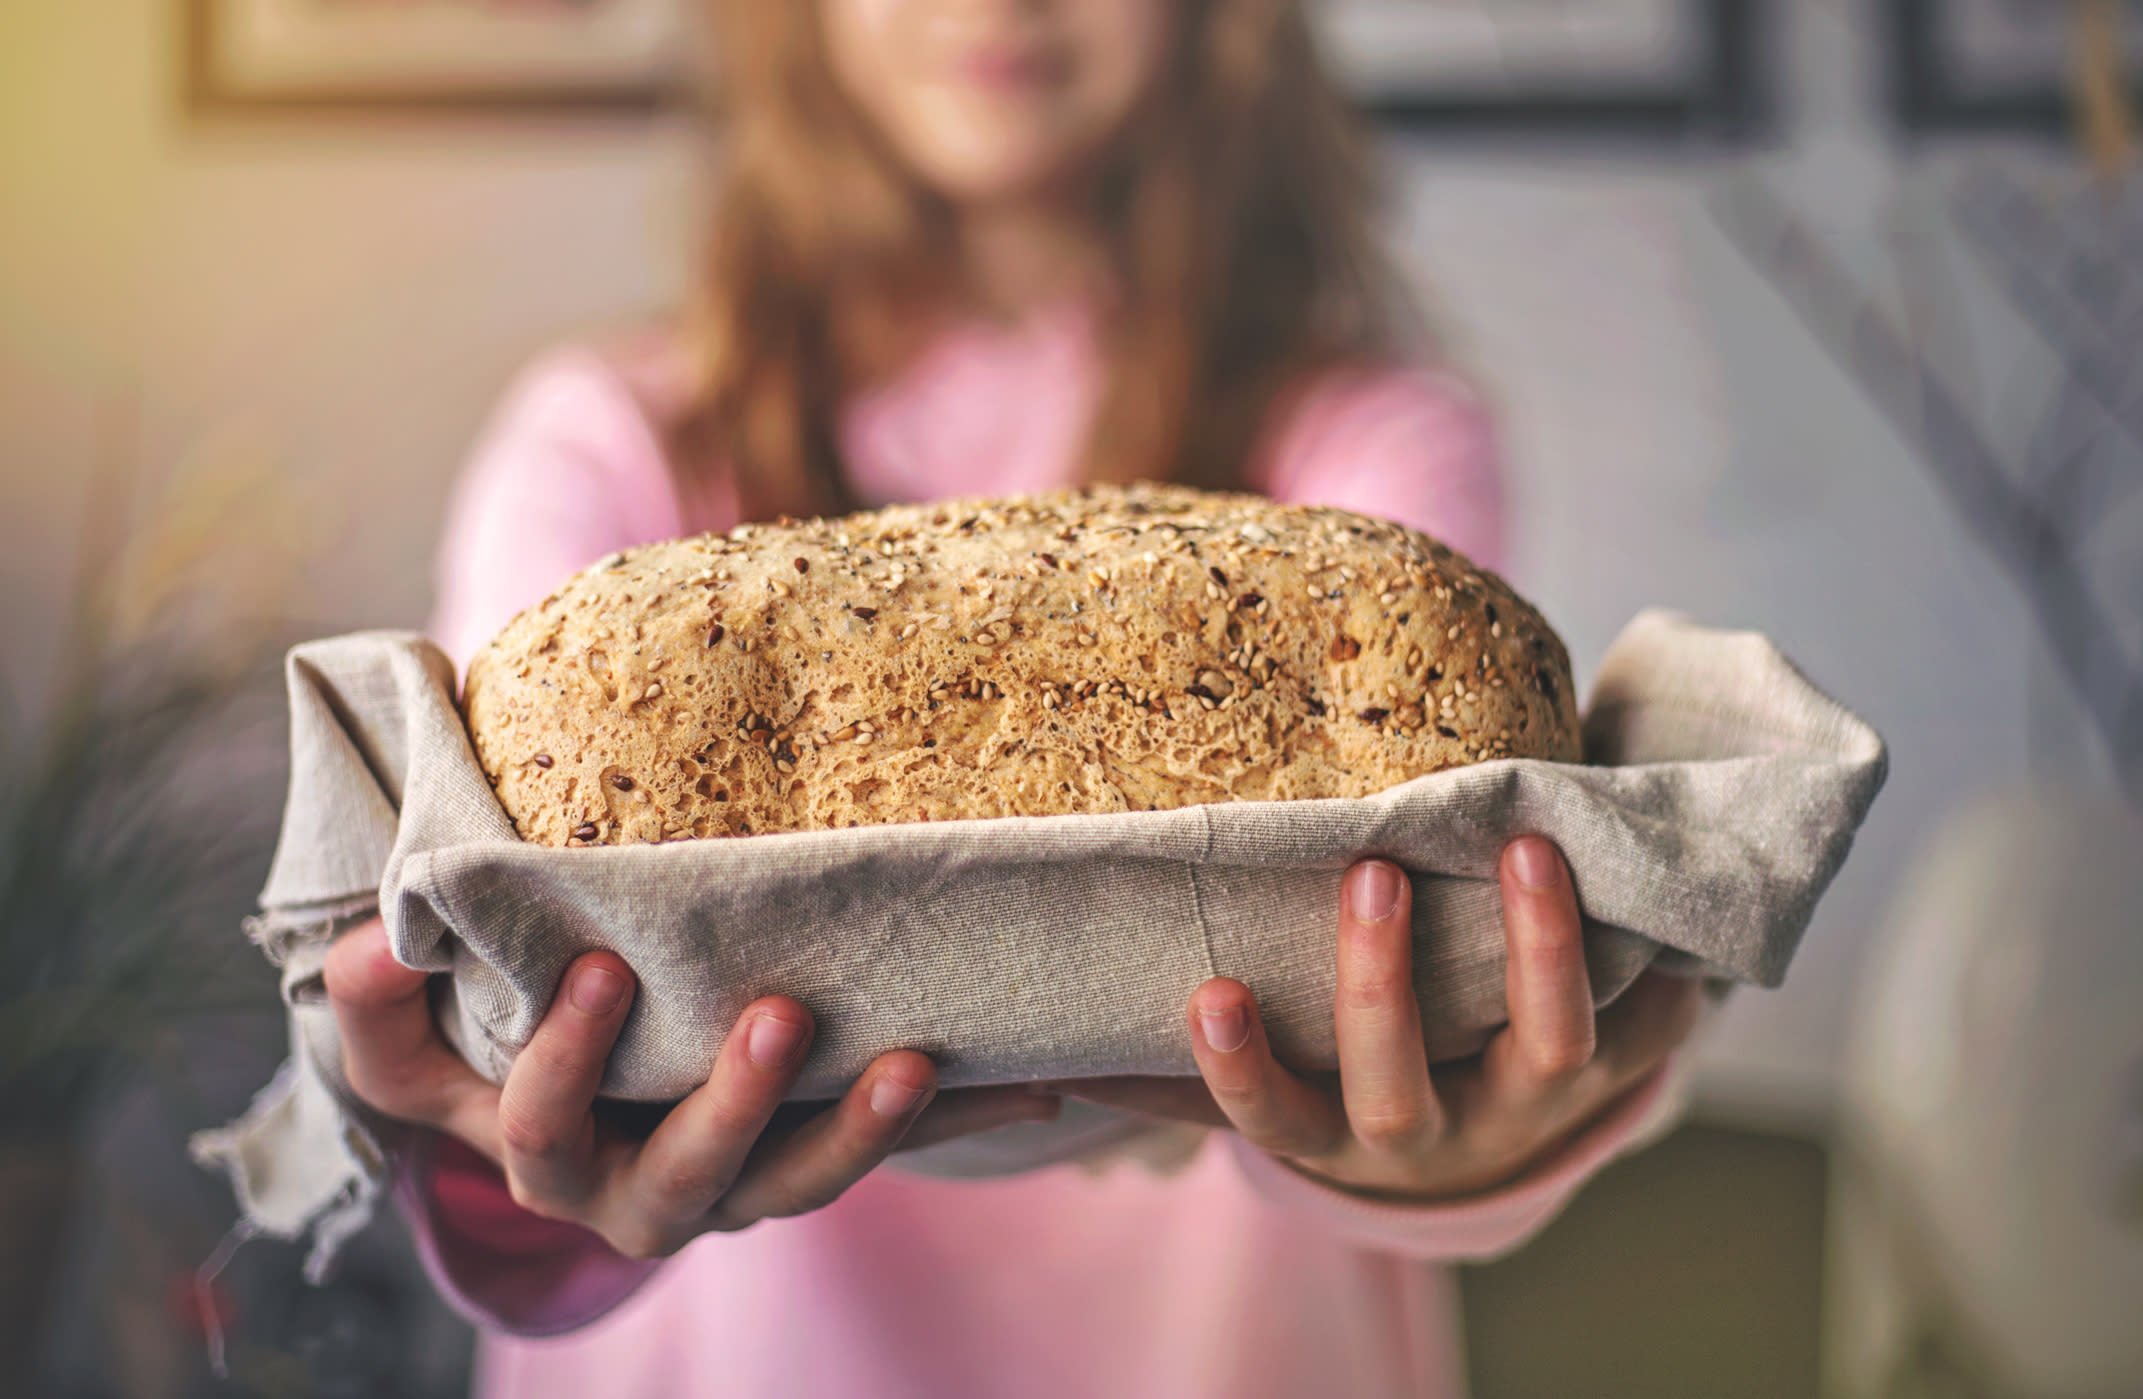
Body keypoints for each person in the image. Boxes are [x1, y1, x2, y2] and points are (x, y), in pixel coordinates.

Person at [323, 3, 1707, 1394]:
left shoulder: (1372, 446)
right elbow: (512, 1008)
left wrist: (1490, 1132)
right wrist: (506, 1150)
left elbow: (1443, 989)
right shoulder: (605, 449)